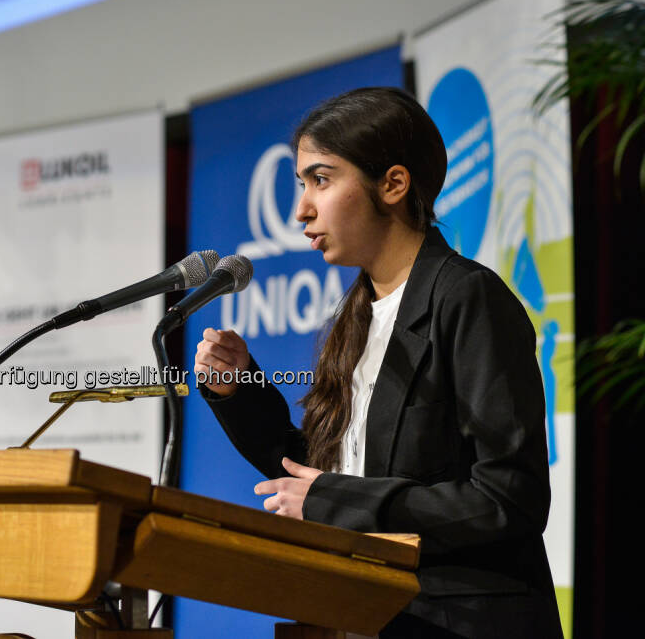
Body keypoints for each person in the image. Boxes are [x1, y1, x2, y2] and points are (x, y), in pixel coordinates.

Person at [193, 87, 563, 638]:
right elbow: (321, 476)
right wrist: (239, 392)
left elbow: (509, 499)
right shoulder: (355, 317)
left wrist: (333, 500)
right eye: (302, 184)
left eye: (321, 179)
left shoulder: (467, 297)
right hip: (362, 615)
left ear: (393, 183)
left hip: (460, 621)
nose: (301, 209)